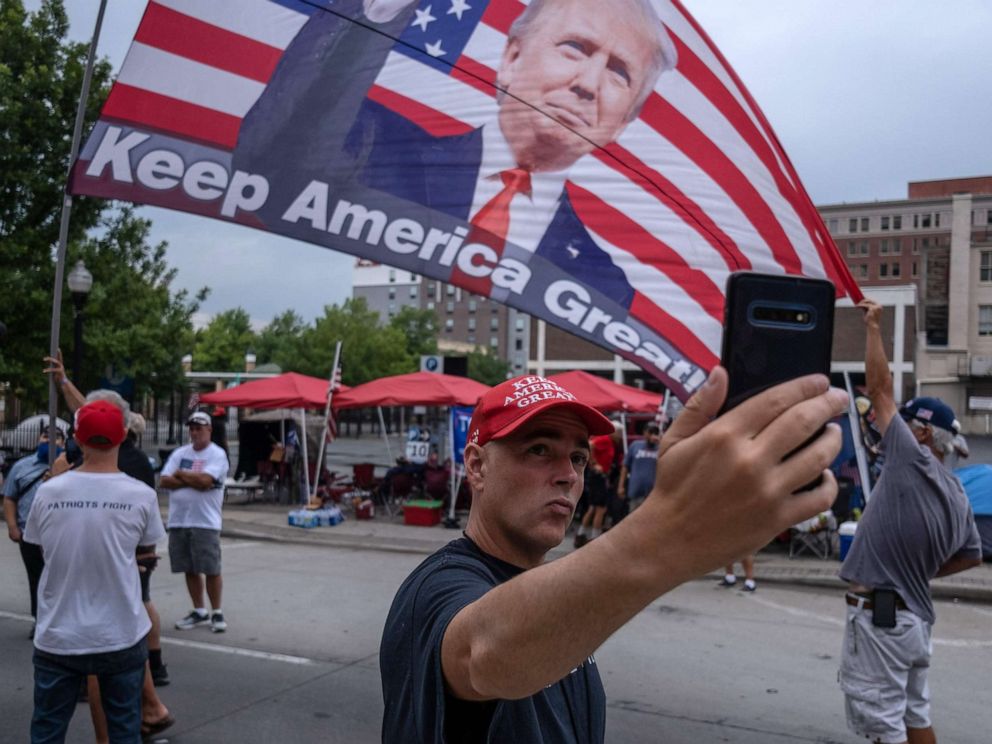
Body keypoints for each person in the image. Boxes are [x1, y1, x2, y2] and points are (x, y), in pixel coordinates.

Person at [380, 371, 848, 742]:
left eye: (579, 458)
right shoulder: (439, 586)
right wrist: (670, 534)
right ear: (478, 466)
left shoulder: (555, 594)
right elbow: (483, 654)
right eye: (539, 449)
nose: (566, 474)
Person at [238, 0, 676, 303]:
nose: (588, 84)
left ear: (621, 124)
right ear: (511, 58)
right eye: (576, 48)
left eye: (619, 73)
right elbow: (272, 166)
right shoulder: (373, 145)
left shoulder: (603, 284)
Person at [838, 299, 982, 744]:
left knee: (884, 728)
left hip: (884, 622)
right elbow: (972, 555)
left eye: (902, 423)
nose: (891, 426)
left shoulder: (910, 460)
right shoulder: (957, 492)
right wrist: (918, 570)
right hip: (914, 623)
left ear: (920, 433)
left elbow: (880, 391)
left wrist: (875, 328)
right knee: (915, 717)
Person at [23, 400, 166, 743]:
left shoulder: (48, 492)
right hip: (119, 633)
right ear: (122, 436)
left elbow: (42, 548)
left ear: (76, 438)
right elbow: (147, 553)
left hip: (59, 634)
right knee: (124, 730)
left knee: (47, 730)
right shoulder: (141, 495)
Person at [44, 353, 171, 686]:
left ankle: (149, 681)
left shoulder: (124, 463)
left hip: (118, 564)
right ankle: (150, 678)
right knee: (134, 614)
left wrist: (55, 480)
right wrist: (64, 381)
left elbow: (91, 419)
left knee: (131, 617)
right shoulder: (128, 454)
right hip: (124, 558)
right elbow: (92, 416)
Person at [160, 411, 230, 633]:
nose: (195, 432)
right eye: (192, 428)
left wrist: (180, 475)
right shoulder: (180, 453)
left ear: (209, 429)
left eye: (199, 428)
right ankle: (199, 610)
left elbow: (206, 481)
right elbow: (164, 481)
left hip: (205, 521)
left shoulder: (216, 455)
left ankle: (217, 611)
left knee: (210, 568)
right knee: (189, 568)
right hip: (180, 520)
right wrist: (191, 480)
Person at [3, 425, 64, 636]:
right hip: (29, 535)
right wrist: (12, 526)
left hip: (61, 537)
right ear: (39, 439)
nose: (50, 441)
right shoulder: (22, 466)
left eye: (56, 438)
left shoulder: (70, 467)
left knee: (60, 579)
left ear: (63, 444)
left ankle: (60, 622)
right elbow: (9, 497)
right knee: (36, 578)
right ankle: (40, 621)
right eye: (46, 436)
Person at [573, 420, 622, 547]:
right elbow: (590, 444)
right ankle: (594, 538)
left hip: (599, 476)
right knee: (601, 508)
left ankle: (581, 534)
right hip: (598, 477)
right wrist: (594, 464)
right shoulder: (605, 439)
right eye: (619, 432)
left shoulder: (610, 442)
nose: (620, 436)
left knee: (594, 507)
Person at [617, 422, 661, 511]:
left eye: (655, 432)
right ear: (645, 433)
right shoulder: (635, 445)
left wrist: (661, 442)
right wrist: (621, 486)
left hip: (653, 493)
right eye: (650, 432)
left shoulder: (661, 448)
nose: (653, 435)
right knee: (633, 517)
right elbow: (625, 466)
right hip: (636, 490)